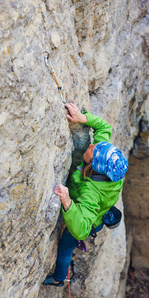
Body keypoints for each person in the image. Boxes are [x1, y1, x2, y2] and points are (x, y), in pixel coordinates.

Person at [43, 103, 128, 287]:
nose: (91, 145)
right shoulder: (108, 165)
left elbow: (81, 228)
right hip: (97, 210)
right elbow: (104, 127)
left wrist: (67, 202)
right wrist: (84, 118)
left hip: (90, 222)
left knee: (66, 249)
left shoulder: (91, 193)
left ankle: (58, 279)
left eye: (92, 150)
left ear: (95, 165)